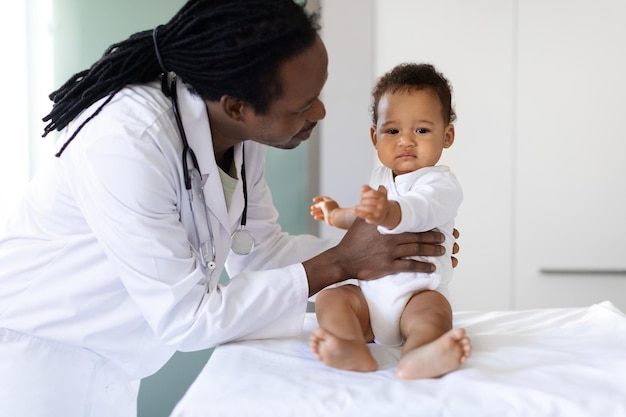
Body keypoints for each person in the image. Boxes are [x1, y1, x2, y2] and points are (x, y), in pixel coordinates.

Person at [0, 2, 457, 416]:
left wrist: (389, 255)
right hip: (37, 363)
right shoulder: (127, 142)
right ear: (238, 107)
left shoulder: (238, 134)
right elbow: (189, 318)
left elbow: (259, 251)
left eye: (318, 92)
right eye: (301, 105)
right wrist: (345, 260)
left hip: (112, 364)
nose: (318, 111)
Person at [309, 63, 471, 379]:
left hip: (416, 294)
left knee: (435, 313)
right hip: (369, 298)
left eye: (421, 130)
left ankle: (419, 354)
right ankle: (350, 345)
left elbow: (418, 209)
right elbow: (362, 218)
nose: (405, 141)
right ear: (375, 136)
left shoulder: (440, 184)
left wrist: (388, 214)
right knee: (331, 297)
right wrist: (337, 214)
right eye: (392, 131)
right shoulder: (382, 178)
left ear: (447, 135)